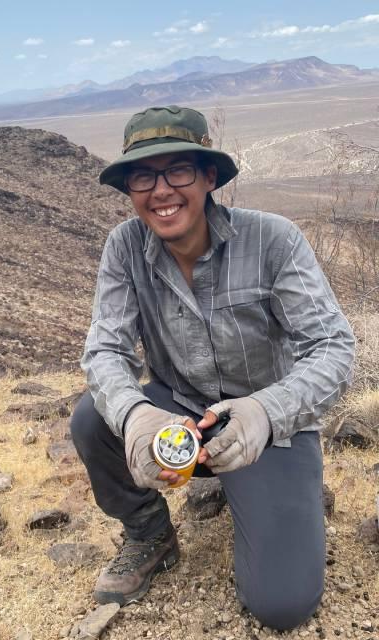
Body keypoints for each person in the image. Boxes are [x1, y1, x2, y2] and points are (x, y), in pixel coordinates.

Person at [70, 105, 355, 631]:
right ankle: (149, 534)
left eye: (179, 170)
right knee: (93, 418)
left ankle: (275, 494)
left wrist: (264, 413)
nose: (161, 190)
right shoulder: (124, 248)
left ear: (208, 176)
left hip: (270, 426)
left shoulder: (274, 239)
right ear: (129, 188)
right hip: (176, 413)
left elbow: (334, 348)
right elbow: (105, 351)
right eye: (143, 175)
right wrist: (137, 418)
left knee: (282, 605)